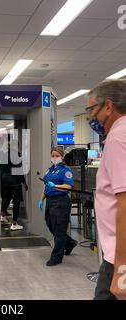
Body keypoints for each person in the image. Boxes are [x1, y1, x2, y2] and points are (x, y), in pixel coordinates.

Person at [86, 79, 126, 300]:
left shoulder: (118, 137)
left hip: (118, 259)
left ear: (108, 106)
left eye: (92, 109)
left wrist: (121, 270)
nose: (91, 116)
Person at [39, 146, 77, 266]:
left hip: (61, 202)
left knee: (59, 228)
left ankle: (56, 257)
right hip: (50, 201)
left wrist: (55, 186)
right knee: (51, 225)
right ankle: (69, 243)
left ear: (61, 156)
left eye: (57, 156)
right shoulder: (49, 171)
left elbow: (69, 186)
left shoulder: (65, 170)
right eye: (53, 155)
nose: (55, 158)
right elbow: (46, 186)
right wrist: (41, 199)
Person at [0, 139, 27, 230]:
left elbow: (1, 168)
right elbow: (19, 170)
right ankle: (14, 224)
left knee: (6, 198)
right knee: (16, 202)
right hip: (14, 181)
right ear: (17, 146)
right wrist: (23, 182)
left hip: (4, 180)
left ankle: (2, 216)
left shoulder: (4, 155)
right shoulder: (18, 155)